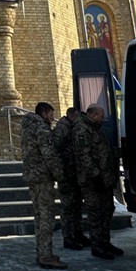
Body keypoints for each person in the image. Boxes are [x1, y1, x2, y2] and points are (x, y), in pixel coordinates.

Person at [21, 101, 68, 269]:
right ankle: (46, 256)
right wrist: (60, 175)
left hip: (33, 177)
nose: (53, 118)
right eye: (51, 114)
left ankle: (42, 252)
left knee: (39, 216)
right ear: (44, 113)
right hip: (43, 178)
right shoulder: (41, 128)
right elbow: (49, 154)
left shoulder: (28, 127)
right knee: (47, 216)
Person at [74, 105, 123, 259]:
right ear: (93, 115)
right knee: (95, 213)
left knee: (107, 210)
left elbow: (102, 152)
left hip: (104, 179)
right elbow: (84, 156)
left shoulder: (95, 128)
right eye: (101, 116)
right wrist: (96, 176)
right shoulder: (82, 129)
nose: (103, 119)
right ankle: (97, 245)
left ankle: (105, 242)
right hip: (92, 181)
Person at [53, 106, 89, 250]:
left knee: (77, 205)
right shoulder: (62, 128)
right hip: (66, 174)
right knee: (68, 207)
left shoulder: (73, 127)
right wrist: (60, 170)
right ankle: (68, 237)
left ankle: (78, 233)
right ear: (72, 116)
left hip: (75, 174)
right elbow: (54, 149)